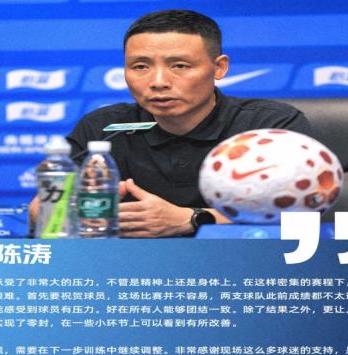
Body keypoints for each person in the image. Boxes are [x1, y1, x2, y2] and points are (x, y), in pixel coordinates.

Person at [30, 9, 312, 237]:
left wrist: (191, 219)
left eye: (180, 66)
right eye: (140, 67)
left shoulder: (269, 126)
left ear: (219, 67)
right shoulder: (104, 128)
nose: (158, 82)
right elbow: (40, 210)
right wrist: (90, 213)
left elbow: (302, 213)